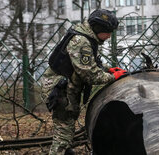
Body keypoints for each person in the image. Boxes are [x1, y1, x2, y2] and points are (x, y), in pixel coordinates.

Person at [42, 9, 126, 155]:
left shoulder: (87, 38)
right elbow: (90, 74)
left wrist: (109, 69)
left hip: (67, 88)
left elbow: (91, 63)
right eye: (109, 32)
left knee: (66, 131)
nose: (109, 36)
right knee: (63, 134)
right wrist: (114, 77)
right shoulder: (81, 42)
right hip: (60, 91)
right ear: (99, 28)